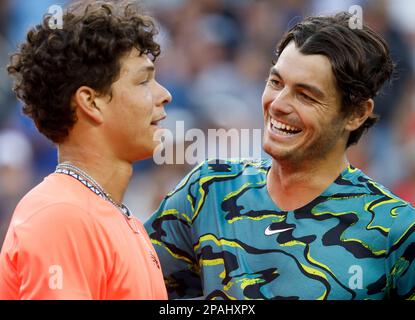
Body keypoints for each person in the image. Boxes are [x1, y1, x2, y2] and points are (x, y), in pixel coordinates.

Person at [145, 12, 415, 300]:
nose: (278, 104)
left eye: (306, 96)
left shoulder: (396, 230)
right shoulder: (208, 188)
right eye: (276, 83)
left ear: (356, 113)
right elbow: (132, 285)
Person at [0, 0, 171, 299]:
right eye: (143, 80)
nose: (164, 95)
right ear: (91, 102)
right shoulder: (62, 215)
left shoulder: (117, 218)